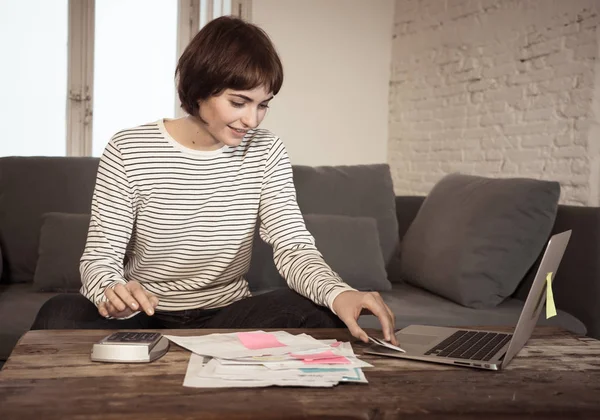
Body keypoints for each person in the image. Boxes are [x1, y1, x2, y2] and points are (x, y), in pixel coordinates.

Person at [32, 16, 398, 345]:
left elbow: (292, 245)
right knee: (58, 314)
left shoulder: (266, 150)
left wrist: (338, 293)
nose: (253, 120)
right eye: (239, 102)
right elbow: (100, 257)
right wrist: (111, 293)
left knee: (324, 312)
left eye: (263, 104)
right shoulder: (129, 148)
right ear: (199, 89)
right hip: (144, 315)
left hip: (227, 316)